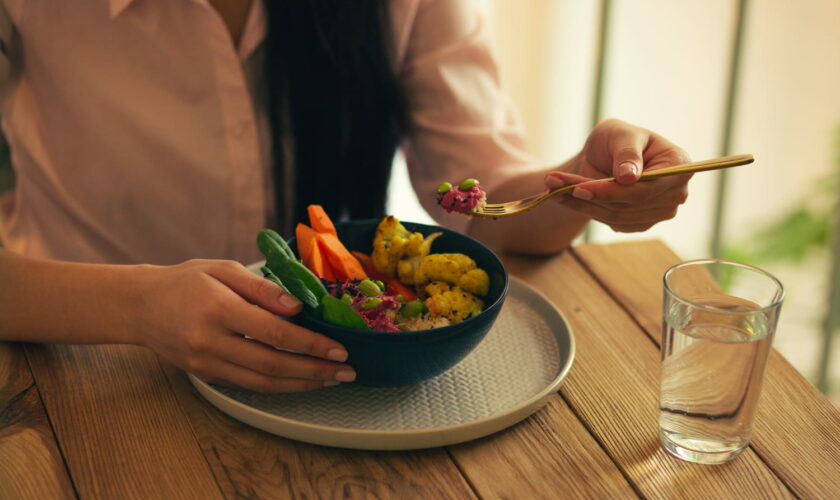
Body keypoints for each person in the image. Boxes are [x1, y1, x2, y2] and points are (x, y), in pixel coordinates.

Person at [0, 0, 690, 393]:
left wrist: (584, 189)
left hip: (337, 390)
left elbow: (485, 209)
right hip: (83, 371)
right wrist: (143, 307)